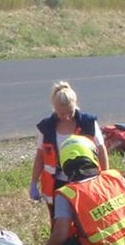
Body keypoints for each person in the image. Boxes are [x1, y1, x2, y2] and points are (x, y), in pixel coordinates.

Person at [30, 81, 108, 217]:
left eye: (70, 112)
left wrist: (105, 177)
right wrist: (33, 183)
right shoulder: (46, 127)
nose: (66, 117)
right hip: (57, 184)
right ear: (54, 108)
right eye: (61, 113)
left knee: (86, 218)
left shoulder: (88, 123)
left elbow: (101, 150)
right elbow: (40, 157)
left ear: (75, 104)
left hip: (86, 180)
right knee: (59, 221)